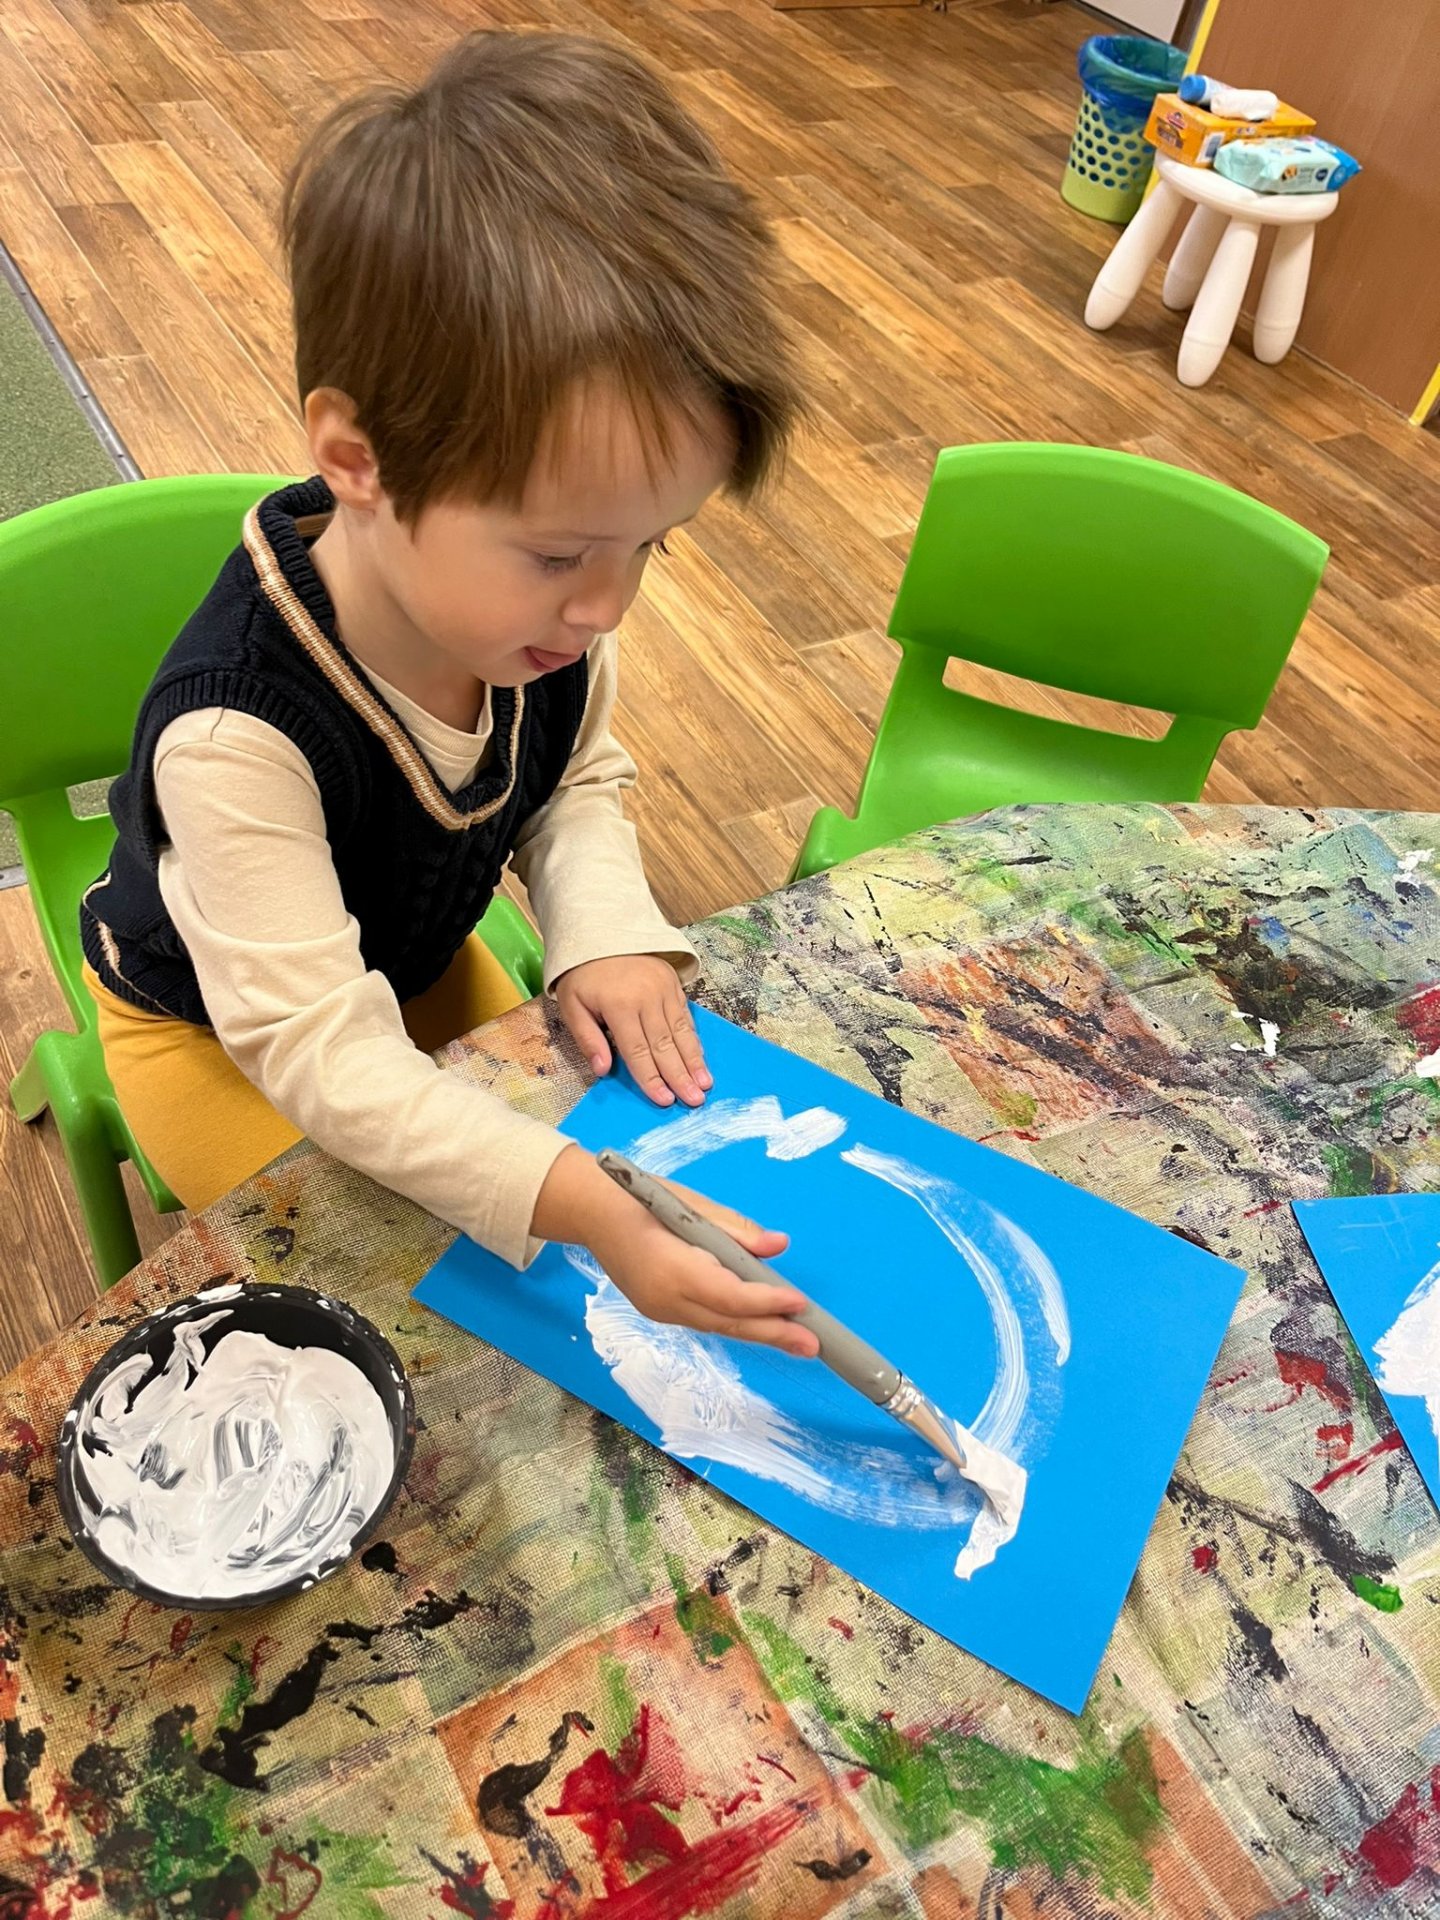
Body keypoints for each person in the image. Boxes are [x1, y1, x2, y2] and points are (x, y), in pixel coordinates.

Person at [82, 31, 819, 1359]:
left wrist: (601, 929)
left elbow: (575, 777)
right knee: (395, 1303)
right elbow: (328, 1059)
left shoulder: (544, 624)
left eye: (650, 546)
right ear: (358, 459)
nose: (606, 609)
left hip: (407, 963)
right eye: (560, 553)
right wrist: (584, 1204)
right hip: (220, 1031)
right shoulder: (235, 735)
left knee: (571, 1186)